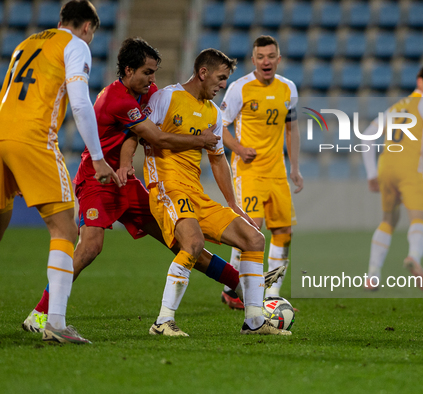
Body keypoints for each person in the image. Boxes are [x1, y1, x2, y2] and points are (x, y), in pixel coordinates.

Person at [21, 37, 284, 337]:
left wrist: (126, 165)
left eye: (155, 73)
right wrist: (199, 141)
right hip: (98, 179)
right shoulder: (115, 98)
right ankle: (40, 313)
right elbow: (155, 138)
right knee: (90, 247)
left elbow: (141, 135)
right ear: (128, 71)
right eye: (147, 72)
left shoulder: (151, 94)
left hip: (126, 182)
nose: (152, 80)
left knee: (182, 241)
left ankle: (239, 283)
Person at [122, 48, 291, 335]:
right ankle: (163, 321)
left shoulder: (213, 113)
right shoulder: (167, 97)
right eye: (221, 77)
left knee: (253, 238)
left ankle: (254, 322)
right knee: (193, 244)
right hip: (167, 188)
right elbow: (137, 132)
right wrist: (126, 163)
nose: (223, 84)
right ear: (203, 73)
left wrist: (232, 204)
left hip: (195, 194)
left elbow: (217, 158)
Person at [0, 0, 120, 344]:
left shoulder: (25, 44)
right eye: (92, 34)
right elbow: (80, 102)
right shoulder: (76, 45)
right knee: (66, 229)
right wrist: (97, 157)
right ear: (87, 27)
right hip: (33, 138)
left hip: (1, 134)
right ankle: (55, 322)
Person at [219, 35, 303, 309]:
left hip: (277, 171)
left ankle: (272, 294)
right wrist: (239, 148)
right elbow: (219, 127)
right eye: (261, 57)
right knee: (252, 230)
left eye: (271, 56)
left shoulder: (288, 89)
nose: (266, 61)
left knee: (284, 231)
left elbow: (292, 129)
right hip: (249, 171)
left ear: (279, 59)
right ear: (253, 60)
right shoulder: (239, 88)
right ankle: (233, 287)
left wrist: (295, 168)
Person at [361, 65, 423, 292]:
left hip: (386, 167)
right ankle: (414, 257)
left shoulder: (396, 107)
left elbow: (367, 137)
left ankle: (372, 273)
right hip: (411, 168)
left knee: (388, 220)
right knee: (418, 218)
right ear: (420, 81)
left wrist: (371, 174)